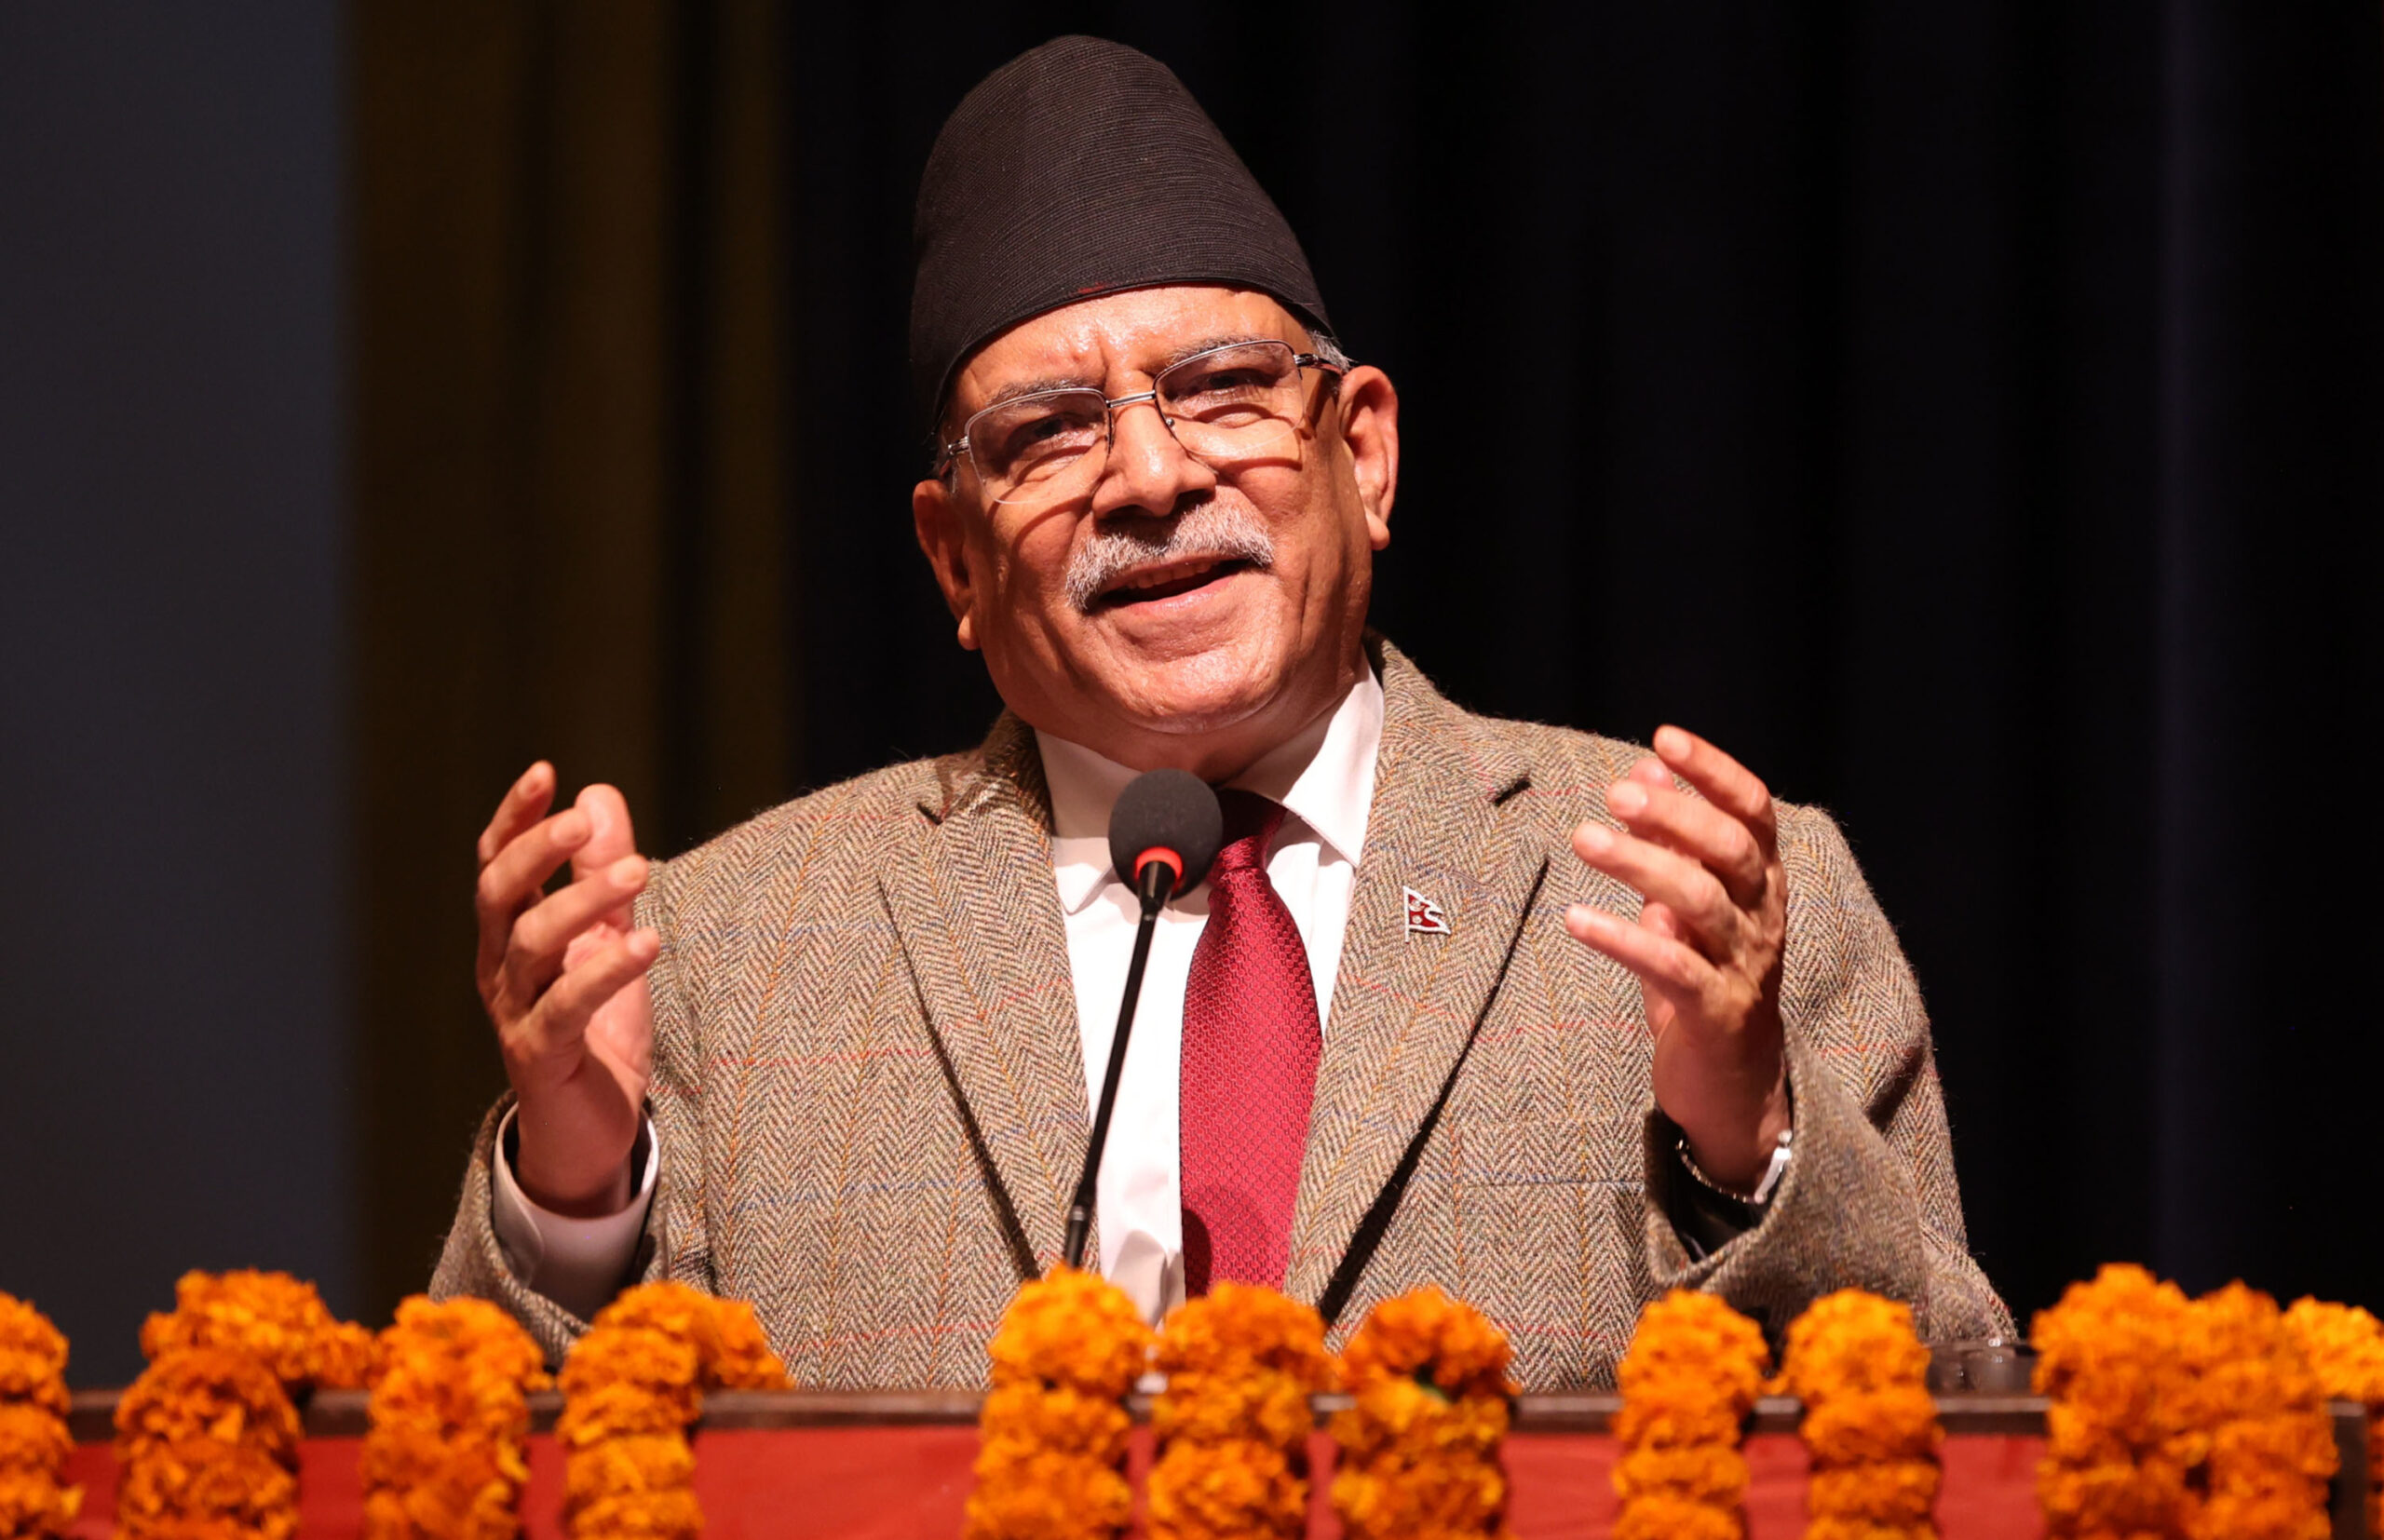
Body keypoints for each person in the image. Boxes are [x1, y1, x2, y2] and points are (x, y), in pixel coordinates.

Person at [435, 35, 2009, 1388]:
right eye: (1049, 432)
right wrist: (576, 1201)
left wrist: (1751, 1145)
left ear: (1365, 452)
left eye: (1220, 389)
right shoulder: (729, 957)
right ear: (954, 558)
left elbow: (1954, 1439)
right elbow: (483, 1480)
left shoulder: (1703, 899)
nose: (1151, 474)